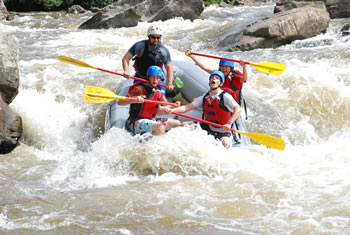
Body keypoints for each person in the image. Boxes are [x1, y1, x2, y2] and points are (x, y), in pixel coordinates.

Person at [166, 71, 241, 147]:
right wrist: (172, 111)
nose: (213, 79)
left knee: (226, 144)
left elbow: (238, 109)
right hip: (207, 126)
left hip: (223, 131)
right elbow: (187, 107)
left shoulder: (225, 96)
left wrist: (229, 123)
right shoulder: (205, 97)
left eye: (217, 78)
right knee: (183, 125)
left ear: (221, 84)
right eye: (212, 78)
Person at [118, 65, 182, 136]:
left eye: (157, 77)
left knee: (177, 123)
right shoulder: (139, 89)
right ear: (148, 77)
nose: (155, 80)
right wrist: (135, 100)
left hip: (150, 120)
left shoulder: (157, 92)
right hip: (135, 122)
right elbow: (120, 102)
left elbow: (158, 110)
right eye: (152, 77)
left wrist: (171, 108)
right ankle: (157, 145)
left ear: (160, 79)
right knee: (160, 126)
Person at [122, 25, 174, 100]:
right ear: (148, 36)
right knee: (137, 96)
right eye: (153, 37)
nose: (156, 40)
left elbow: (169, 68)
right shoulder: (140, 46)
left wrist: (170, 83)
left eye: (158, 37)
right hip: (141, 77)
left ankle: (166, 109)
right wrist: (126, 70)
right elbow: (125, 58)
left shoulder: (163, 51)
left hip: (156, 79)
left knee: (162, 97)